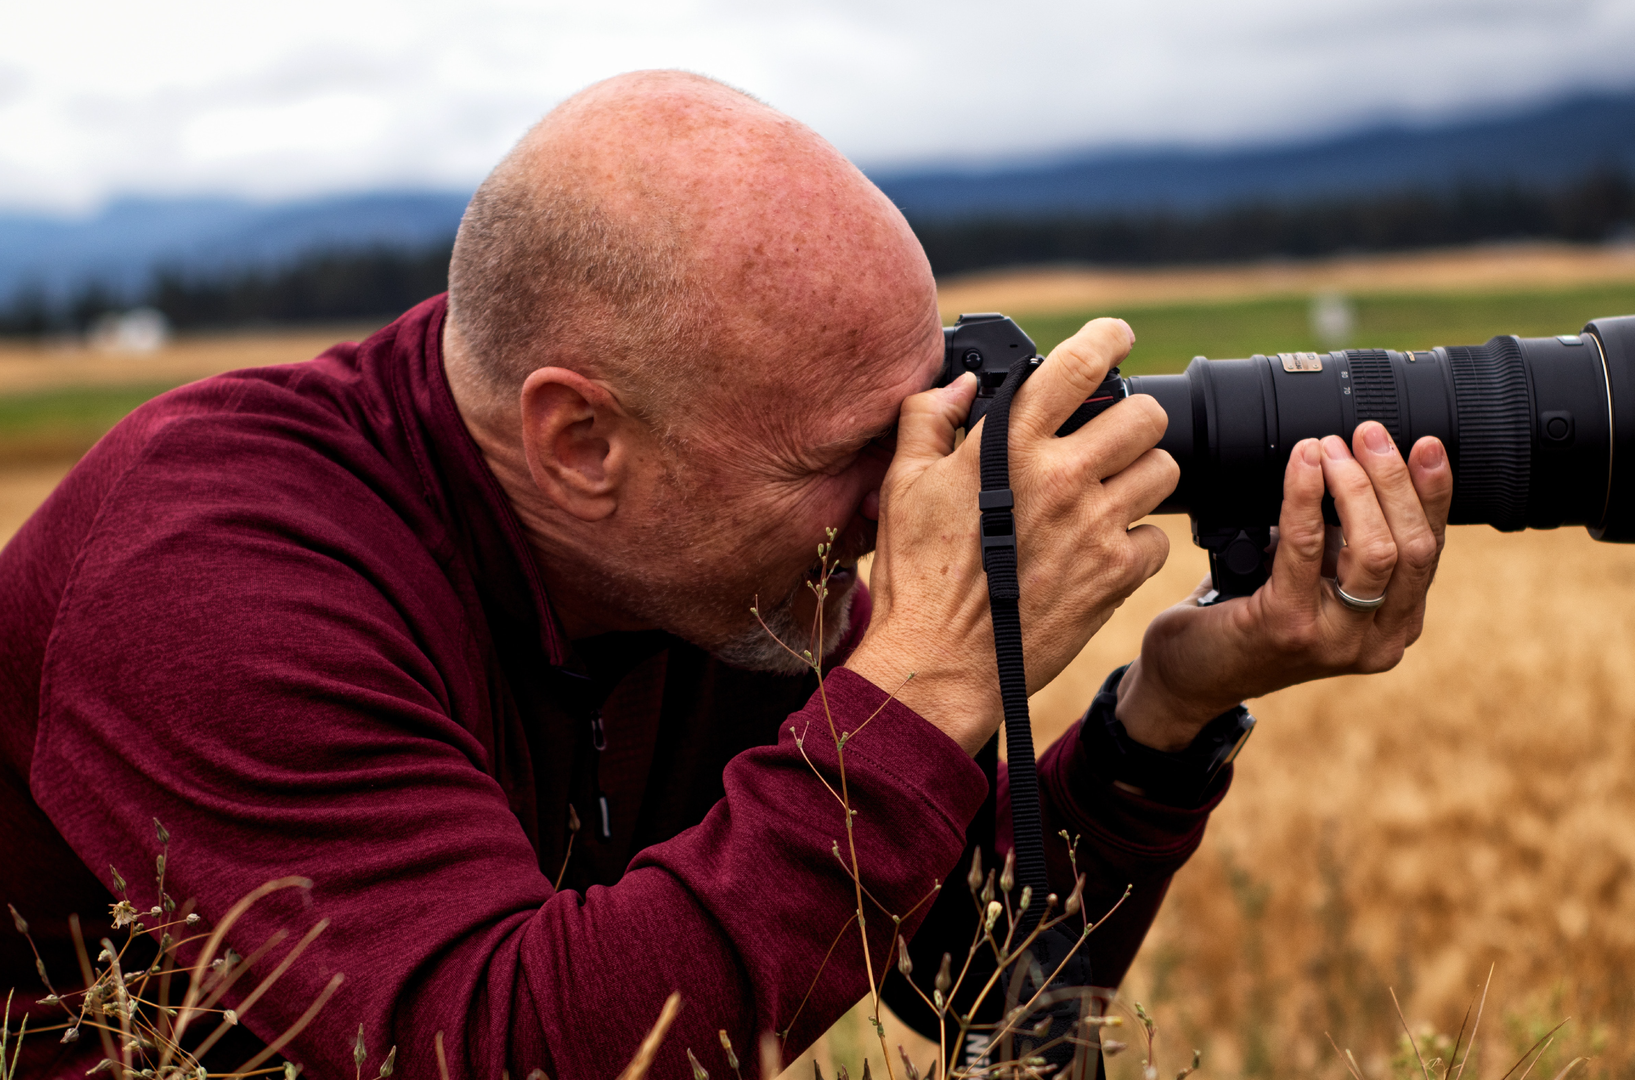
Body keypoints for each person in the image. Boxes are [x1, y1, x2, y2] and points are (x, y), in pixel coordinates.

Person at [0, 72, 1452, 1078]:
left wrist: (1173, 707)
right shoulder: (218, 579)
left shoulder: (718, 567)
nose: (899, 504)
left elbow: (987, 987)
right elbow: (515, 1053)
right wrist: (924, 683)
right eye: (853, 456)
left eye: (920, 425)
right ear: (581, 440)